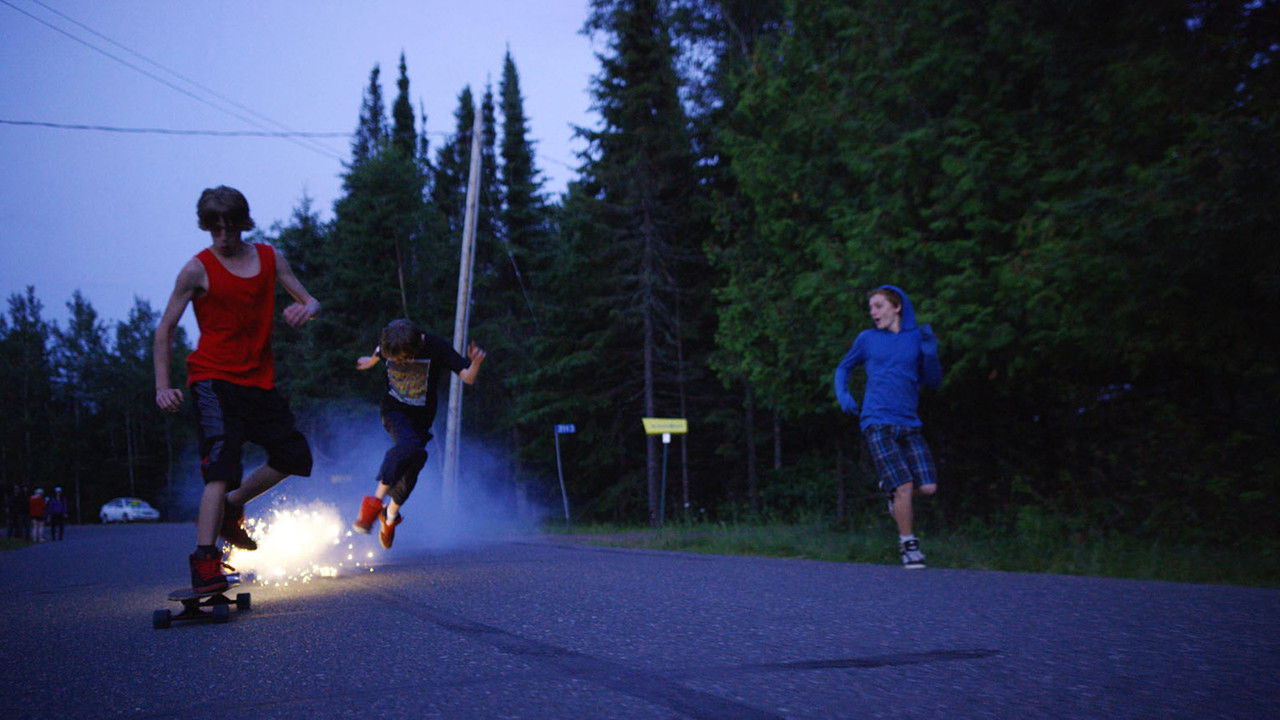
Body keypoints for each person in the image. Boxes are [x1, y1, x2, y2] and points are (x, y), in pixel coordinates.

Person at [153, 185, 320, 593]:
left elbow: (312, 301)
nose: (224, 236)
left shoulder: (269, 258)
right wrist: (162, 386)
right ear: (207, 228)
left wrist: (306, 309)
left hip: (258, 381)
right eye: (215, 229)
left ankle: (232, 506)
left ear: (244, 224)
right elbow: (166, 329)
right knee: (221, 467)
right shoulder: (197, 270)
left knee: (294, 455)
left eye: (231, 227)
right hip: (212, 380)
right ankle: (205, 561)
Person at [350, 319, 486, 549]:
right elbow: (379, 351)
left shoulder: (436, 347)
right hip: (393, 410)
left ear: (416, 348)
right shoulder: (390, 342)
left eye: (402, 359)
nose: (397, 363)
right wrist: (371, 361)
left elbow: (468, 377)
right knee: (409, 445)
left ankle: (389, 517)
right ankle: (373, 504)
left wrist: (475, 363)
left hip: (421, 420)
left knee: (413, 465)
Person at [833, 285, 943, 569]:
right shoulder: (867, 339)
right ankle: (908, 546)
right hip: (877, 420)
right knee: (904, 484)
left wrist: (930, 354)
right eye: (871, 308)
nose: (873, 312)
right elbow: (843, 368)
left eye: (879, 306)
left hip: (908, 422)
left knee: (927, 487)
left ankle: (892, 492)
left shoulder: (915, 338)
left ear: (897, 307)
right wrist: (843, 394)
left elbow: (932, 381)